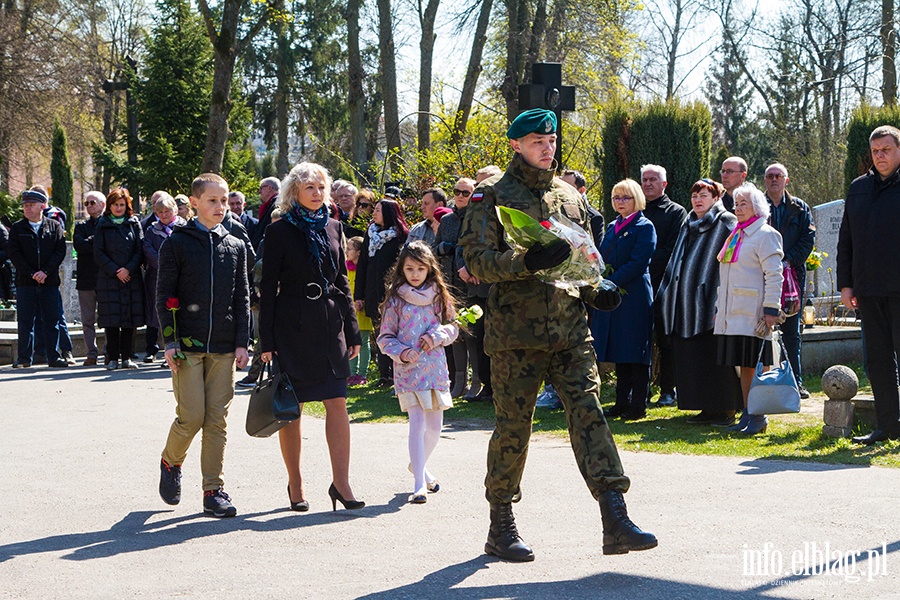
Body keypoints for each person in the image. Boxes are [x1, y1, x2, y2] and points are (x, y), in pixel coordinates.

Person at [459, 108, 656, 562]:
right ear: (515, 145)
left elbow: (584, 261)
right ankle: (500, 524)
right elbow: (476, 262)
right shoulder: (491, 196)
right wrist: (523, 263)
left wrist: (597, 289)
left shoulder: (569, 196)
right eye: (536, 141)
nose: (546, 148)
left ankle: (615, 518)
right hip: (516, 336)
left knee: (590, 417)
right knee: (514, 427)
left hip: (569, 331)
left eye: (550, 141)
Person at [258, 162, 364, 512]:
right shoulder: (278, 231)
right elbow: (267, 288)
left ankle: (342, 483)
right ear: (294, 193)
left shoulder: (335, 227)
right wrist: (267, 342)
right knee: (294, 406)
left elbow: (342, 283)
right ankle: (296, 482)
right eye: (310, 188)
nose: (318, 193)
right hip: (292, 326)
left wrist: (351, 329)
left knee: (337, 403)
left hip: (329, 323)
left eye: (322, 187)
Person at [157, 172, 250, 518]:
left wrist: (243, 341)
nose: (220, 206)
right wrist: (169, 341)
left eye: (224, 200)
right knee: (191, 417)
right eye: (213, 200)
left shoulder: (235, 244)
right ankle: (171, 461)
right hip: (187, 346)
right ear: (194, 203)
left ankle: (213, 490)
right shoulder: (176, 243)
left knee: (216, 421)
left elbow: (241, 298)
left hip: (224, 346)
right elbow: (164, 295)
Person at [378, 241, 458, 503]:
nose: (414, 274)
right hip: (409, 370)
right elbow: (385, 337)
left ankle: (419, 466)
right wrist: (401, 352)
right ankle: (418, 485)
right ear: (402, 269)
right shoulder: (395, 299)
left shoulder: (439, 295)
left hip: (434, 366)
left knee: (435, 427)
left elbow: (453, 326)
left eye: (420, 269)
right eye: (409, 268)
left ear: (429, 269)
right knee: (417, 423)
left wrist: (437, 335)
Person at [657, 179, 742, 425]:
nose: (698, 200)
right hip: (684, 302)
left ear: (716, 198)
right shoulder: (688, 222)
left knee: (716, 359)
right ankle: (705, 407)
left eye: (704, 195)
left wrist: (719, 298)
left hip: (711, 304)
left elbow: (731, 262)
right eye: (695, 195)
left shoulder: (726, 222)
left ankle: (726, 409)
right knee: (693, 358)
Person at [839, 125, 900, 445]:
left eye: (887, 150)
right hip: (869, 290)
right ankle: (888, 426)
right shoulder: (859, 188)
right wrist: (846, 285)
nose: (880, 156)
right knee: (876, 362)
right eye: (876, 151)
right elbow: (846, 239)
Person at [714, 183, 784, 436]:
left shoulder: (766, 234)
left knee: (755, 366)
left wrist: (771, 309)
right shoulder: (736, 234)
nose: (738, 207)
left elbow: (775, 275)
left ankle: (758, 415)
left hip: (754, 312)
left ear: (757, 207)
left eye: (744, 203)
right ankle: (748, 412)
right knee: (743, 366)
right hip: (733, 312)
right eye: (736, 202)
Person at [591, 178, 657, 420]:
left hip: (635, 295)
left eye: (625, 197)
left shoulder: (644, 226)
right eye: (616, 197)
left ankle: (637, 404)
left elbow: (638, 262)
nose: (620, 202)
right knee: (620, 349)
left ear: (636, 199)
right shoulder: (611, 226)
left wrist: (611, 281)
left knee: (635, 351)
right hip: (613, 295)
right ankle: (620, 403)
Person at [763, 163, 815, 399]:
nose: (774, 179)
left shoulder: (800, 208)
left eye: (778, 176)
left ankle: (795, 381)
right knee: (762, 329)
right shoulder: (757, 205)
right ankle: (766, 381)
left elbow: (808, 240)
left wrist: (788, 261)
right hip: (763, 276)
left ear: (787, 180)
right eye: (770, 176)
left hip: (792, 278)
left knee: (792, 331)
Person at [640, 164, 687, 407]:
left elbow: (673, 250)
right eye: (644, 180)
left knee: (666, 340)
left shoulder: (676, 212)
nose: (647, 184)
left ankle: (668, 390)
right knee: (640, 340)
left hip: (665, 286)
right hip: (638, 287)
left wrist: (641, 261)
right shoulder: (636, 210)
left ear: (664, 184)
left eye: (653, 180)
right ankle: (641, 390)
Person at [7, 189, 69, 368]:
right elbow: (15, 253)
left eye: (30, 205)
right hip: (25, 282)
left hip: (49, 282)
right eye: (25, 206)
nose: (27, 209)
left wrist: (46, 272)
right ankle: (24, 358)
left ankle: (54, 357)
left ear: (42, 206)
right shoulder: (18, 228)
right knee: (26, 321)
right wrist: (32, 273)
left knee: (52, 320)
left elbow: (59, 251)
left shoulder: (54, 226)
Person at [354, 198, 409, 387]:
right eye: (374, 210)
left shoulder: (401, 235)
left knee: (396, 331)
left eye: (378, 210)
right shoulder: (371, 233)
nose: (374, 213)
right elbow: (362, 266)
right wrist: (358, 296)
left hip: (393, 292)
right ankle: (384, 374)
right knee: (380, 332)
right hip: (372, 290)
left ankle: (397, 372)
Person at [435, 178, 478, 398]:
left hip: (470, 283)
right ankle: (458, 382)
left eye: (466, 192)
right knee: (454, 334)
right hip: (449, 283)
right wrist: (443, 248)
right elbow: (435, 248)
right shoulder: (447, 220)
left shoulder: (477, 218)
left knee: (471, 335)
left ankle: (476, 381)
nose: (460, 195)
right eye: (457, 191)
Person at [94, 188, 145, 370]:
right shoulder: (102, 224)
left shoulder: (133, 223)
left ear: (127, 206)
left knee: (129, 320)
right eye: (115, 204)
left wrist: (128, 269)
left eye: (121, 204)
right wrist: (116, 271)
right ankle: (113, 357)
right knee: (112, 321)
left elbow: (140, 249)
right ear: (109, 206)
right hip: (110, 279)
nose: (118, 208)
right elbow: (98, 252)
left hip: (131, 278)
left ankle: (127, 357)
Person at [143, 194, 186, 364]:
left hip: (182, 278)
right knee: (160, 315)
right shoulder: (151, 230)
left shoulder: (184, 228)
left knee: (180, 314)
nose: (164, 215)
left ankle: (181, 349)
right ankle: (163, 349)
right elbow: (148, 249)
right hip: (158, 278)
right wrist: (166, 265)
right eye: (160, 212)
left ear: (175, 210)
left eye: (167, 210)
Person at [73, 191, 105, 366]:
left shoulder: (107, 224)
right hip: (86, 278)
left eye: (93, 202)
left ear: (102, 204)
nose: (89, 206)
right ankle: (91, 353)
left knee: (108, 317)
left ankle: (109, 351)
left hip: (104, 277)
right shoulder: (80, 226)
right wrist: (95, 241)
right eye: (86, 203)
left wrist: (91, 241)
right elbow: (80, 245)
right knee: (87, 319)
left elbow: (105, 244)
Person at [345, 236, 373, 386]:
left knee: (363, 341)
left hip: (361, 311)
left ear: (359, 252)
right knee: (351, 342)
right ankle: (351, 373)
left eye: (350, 248)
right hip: (350, 312)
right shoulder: (345, 267)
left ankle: (362, 373)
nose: (346, 251)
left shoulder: (365, 269)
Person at [252, 176, 281, 250]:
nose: (259, 191)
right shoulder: (271, 204)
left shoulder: (277, 205)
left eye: (261, 188)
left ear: (269, 188)